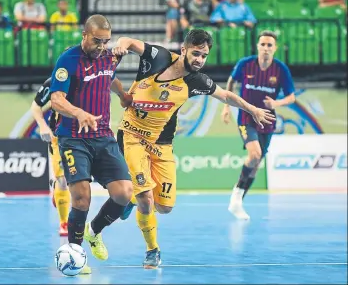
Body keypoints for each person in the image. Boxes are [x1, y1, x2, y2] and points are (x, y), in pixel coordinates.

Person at [112, 29, 275, 269]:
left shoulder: (197, 81)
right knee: (146, 197)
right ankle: (152, 250)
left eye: (204, 55)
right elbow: (128, 41)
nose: (200, 59)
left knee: (164, 207)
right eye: (196, 53)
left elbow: (226, 95)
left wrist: (252, 109)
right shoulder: (158, 57)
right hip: (132, 135)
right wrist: (120, 46)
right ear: (184, 49)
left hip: (162, 145)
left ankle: (133, 201)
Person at [49, 14, 133, 275]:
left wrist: (122, 95)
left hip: (104, 136)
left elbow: (109, 76)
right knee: (82, 197)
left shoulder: (109, 56)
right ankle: (76, 253)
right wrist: (79, 113)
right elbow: (56, 100)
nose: (102, 46)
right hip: (73, 137)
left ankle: (94, 232)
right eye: (97, 41)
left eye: (106, 41)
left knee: (124, 193)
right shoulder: (68, 60)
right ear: (85, 35)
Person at [221, 30, 296, 220]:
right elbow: (231, 82)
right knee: (254, 154)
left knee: (256, 163)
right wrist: (226, 107)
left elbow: (291, 96)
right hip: (247, 117)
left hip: (268, 120)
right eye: (263, 44)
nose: (266, 48)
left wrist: (276, 103)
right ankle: (236, 195)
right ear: (257, 46)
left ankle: (238, 202)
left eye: (269, 45)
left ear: (275, 48)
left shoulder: (280, 69)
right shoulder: (245, 64)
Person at [30, 77, 70, 237]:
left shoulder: (92, 78)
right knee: (63, 181)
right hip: (58, 136)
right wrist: (43, 126)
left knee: (79, 182)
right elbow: (35, 106)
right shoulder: (54, 82)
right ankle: (64, 222)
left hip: (83, 135)